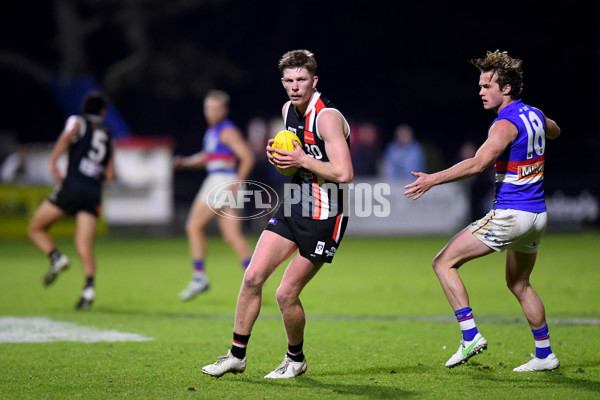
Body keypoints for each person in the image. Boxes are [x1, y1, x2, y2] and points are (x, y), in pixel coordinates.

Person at [404, 50, 561, 372]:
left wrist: (434, 178)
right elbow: (555, 130)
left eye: (487, 85)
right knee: (520, 284)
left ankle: (470, 335)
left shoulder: (504, 124)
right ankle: (545, 354)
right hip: (537, 216)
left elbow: (477, 163)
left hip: (511, 215)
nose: (480, 91)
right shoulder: (533, 114)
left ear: (506, 89)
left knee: (443, 262)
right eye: (480, 85)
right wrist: (539, 127)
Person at [201, 49, 353, 379]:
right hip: (294, 205)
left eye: (301, 80)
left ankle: (295, 359)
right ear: (283, 82)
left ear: (314, 81)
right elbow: (294, 163)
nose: (295, 87)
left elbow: (343, 172)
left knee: (285, 294)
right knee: (253, 277)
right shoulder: (287, 110)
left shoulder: (327, 117)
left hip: (326, 216)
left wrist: (299, 159)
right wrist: (278, 157)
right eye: (289, 81)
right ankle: (236, 355)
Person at [27, 91, 115, 310]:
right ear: (103, 112)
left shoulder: (78, 121)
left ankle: (56, 257)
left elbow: (67, 135)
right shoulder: (107, 134)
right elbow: (110, 175)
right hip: (93, 192)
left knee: (35, 228)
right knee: (84, 245)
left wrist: (54, 160)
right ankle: (88, 289)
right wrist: (94, 172)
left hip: (72, 187)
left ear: (85, 109)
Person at [173, 90, 255, 301]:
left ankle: (199, 276)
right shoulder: (214, 131)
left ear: (225, 111)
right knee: (232, 236)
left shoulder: (227, 131)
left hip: (221, 182)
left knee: (193, 226)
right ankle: (255, 278)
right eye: (209, 108)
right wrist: (187, 162)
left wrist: (235, 184)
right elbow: (207, 157)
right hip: (226, 182)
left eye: (217, 108)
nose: (212, 112)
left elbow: (247, 157)